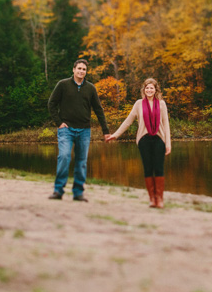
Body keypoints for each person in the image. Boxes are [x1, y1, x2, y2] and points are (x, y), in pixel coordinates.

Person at [47, 59, 111, 201]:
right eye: (79, 68)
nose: (81, 71)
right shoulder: (63, 85)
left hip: (84, 130)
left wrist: (105, 131)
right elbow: (51, 104)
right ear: (73, 69)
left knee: (81, 162)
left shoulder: (90, 88)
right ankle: (58, 191)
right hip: (66, 130)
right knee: (64, 156)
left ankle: (78, 193)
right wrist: (59, 122)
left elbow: (98, 110)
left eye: (84, 69)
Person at [106, 78, 171, 208]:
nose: (149, 90)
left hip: (159, 139)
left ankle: (160, 199)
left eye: (151, 88)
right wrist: (115, 135)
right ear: (144, 90)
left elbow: (166, 124)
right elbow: (128, 121)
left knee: (158, 168)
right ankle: (152, 198)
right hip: (144, 139)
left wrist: (168, 143)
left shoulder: (162, 104)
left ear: (156, 90)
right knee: (148, 168)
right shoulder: (139, 104)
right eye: (147, 88)